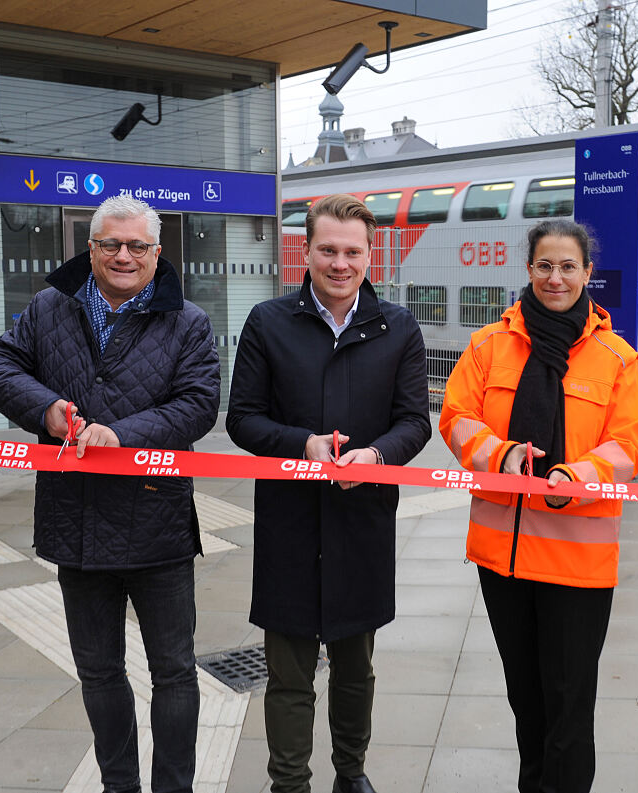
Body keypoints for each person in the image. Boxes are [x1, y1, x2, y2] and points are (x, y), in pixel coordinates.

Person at [0, 194, 221, 793]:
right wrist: (48, 411)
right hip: (75, 519)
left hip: (158, 522)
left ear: (157, 253)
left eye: (137, 245)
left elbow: (198, 405)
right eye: (110, 243)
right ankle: (119, 786)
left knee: (174, 672)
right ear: (90, 248)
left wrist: (123, 434)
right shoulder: (50, 306)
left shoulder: (187, 321)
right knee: (99, 671)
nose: (123, 255)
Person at [226, 193, 431, 793]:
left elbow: (414, 421)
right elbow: (243, 419)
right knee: (287, 670)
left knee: (354, 667)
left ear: (371, 255)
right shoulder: (269, 322)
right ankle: (289, 783)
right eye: (327, 250)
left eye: (352, 252)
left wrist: (375, 456)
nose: (340, 264)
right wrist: (302, 444)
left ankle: (351, 774)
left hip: (361, 519)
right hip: (289, 520)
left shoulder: (399, 328)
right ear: (305, 251)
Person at [438, 219, 638, 793]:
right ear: (528, 270)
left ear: (588, 273)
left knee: (570, 708)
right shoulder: (488, 345)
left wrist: (572, 477)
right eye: (544, 266)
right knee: (525, 701)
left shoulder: (619, 359)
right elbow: (457, 420)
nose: (556, 278)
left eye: (568, 267)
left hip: (577, 562)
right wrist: (502, 456)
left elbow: (629, 445)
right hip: (501, 559)